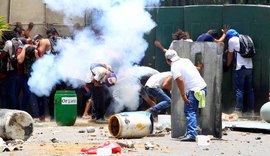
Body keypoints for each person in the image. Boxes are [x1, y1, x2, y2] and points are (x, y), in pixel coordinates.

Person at [164, 49, 207, 142]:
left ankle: (192, 134)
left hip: (194, 90)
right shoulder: (186, 60)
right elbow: (195, 69)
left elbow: (179, 80)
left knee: (190, 111)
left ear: (168, 60)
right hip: (202, 87)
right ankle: (189, 133)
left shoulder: (174, 67)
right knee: (190, 111)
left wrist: (183, 95)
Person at [224, 29, 255, 117]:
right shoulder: (247, 38)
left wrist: (227, 65)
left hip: (240, 67)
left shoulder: (232, 40)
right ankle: (251, 111)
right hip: (249, 66)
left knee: (239, 89)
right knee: (250, 89)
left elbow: (230, 54)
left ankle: (238, 111)